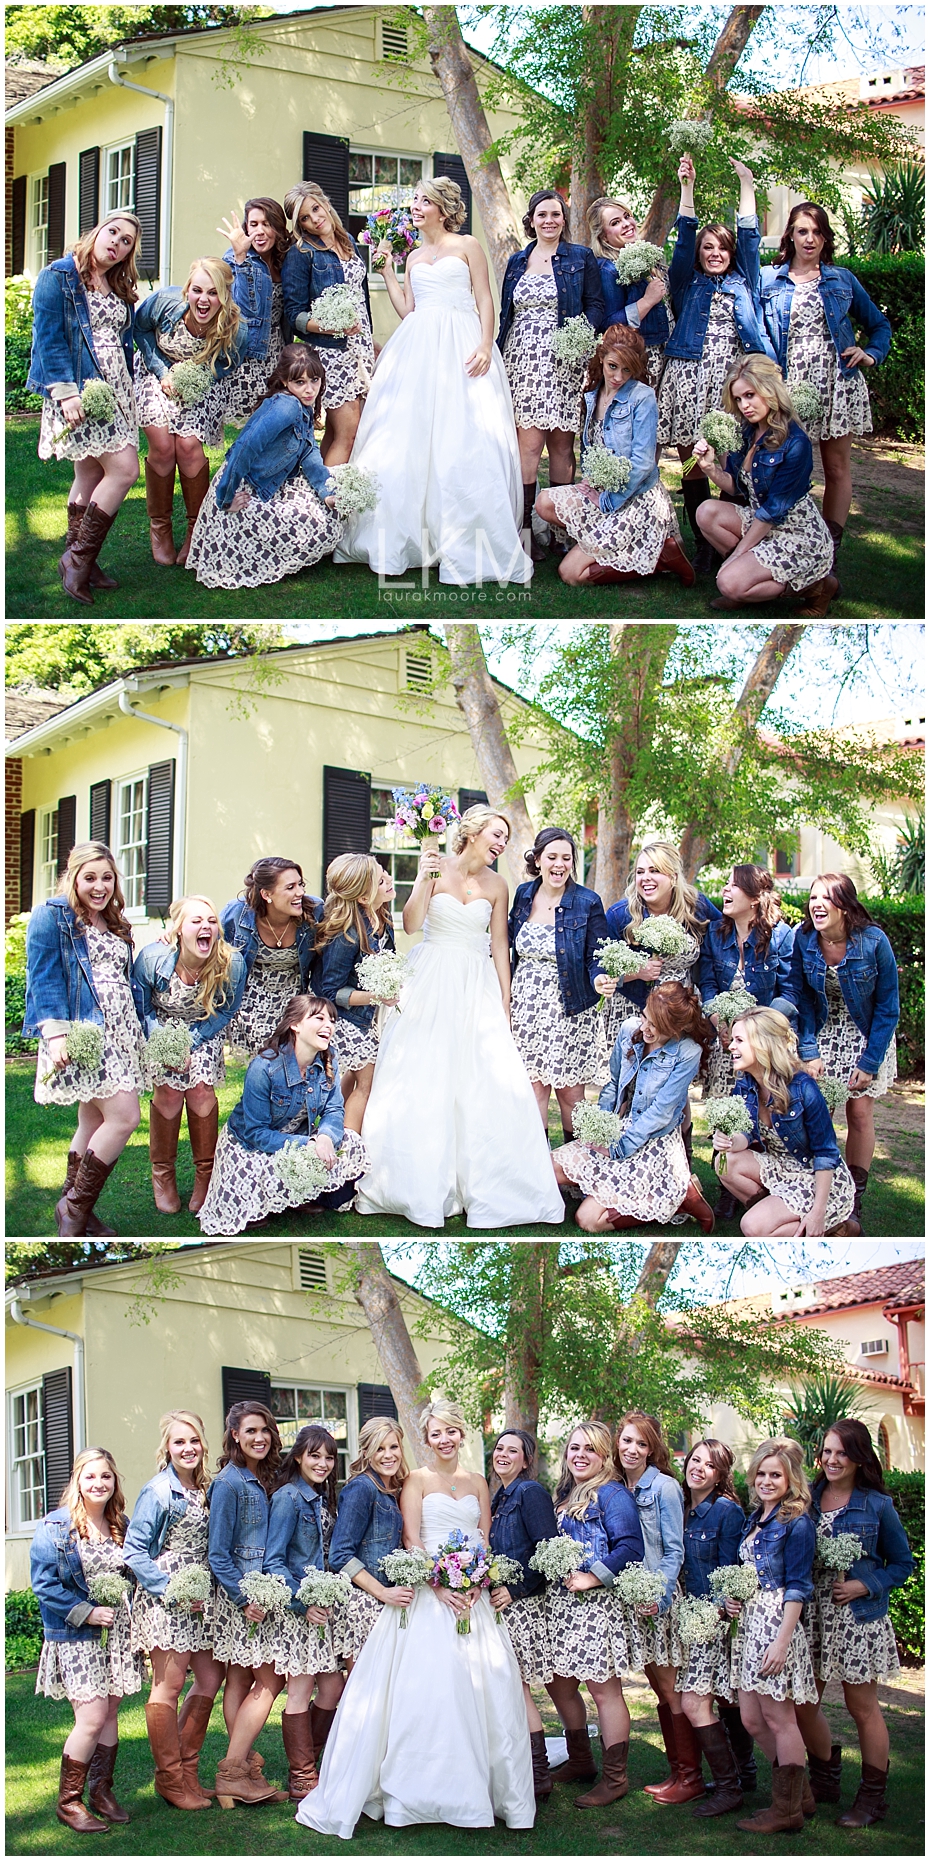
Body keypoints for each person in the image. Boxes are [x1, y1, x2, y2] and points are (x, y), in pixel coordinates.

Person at [297, 1399, 536, 1835]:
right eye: (434, 1434)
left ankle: (491, 1792)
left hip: (474, 1598)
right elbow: (411, 1538)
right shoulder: (415, 1481)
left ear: (462, 1434)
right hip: (429, 1596)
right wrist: (442, 1585)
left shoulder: (480, 1481)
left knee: (489, 1690)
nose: (444, 1440)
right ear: (425, 1441)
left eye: (450, 1431)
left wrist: (477, 1580)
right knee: (428, 1692)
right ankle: (413, 1793)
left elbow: (482, 1537)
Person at [354, 806, 564, 1227]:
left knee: (481, 1082)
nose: (502, 843)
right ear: (471, 832)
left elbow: (501, 946)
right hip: (431, 978)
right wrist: (423, 877)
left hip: (476, 984)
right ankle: (418, 1184)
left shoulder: (499, 884)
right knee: (425, 1077)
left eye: (505, 837)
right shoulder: (437, 868)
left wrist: (504, 1005)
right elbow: (411, 925)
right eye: (497, 834)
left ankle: (484, 1184)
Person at [333, 179, 532, 587]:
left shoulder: (467, 246)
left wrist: (484, 343)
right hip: (418, 347)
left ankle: (466, 539)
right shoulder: (414, 256)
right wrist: (387, 270)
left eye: (423, 201)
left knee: (464, 436)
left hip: (463, 344)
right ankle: (402, 536)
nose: (415, 207)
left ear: (442, 209)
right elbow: (409, 308)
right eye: (416, 201)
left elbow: (484, 299)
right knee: (407, 436)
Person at [761, 202, 892, 580]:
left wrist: (870, 353)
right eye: (803, 231)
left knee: (836, 468)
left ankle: (828, 555)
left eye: (817, 232)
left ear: (825, 238)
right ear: (790, 235)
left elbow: (879, 324)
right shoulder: (771, 279)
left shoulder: (841, 279)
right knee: (781, 466)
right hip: (786, 386)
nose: (810, 239)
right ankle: (781, 544)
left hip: (836, 381)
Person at [794, 1421, 913, 1829]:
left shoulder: (877, 1505)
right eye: (826, 1452)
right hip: (810, 1617)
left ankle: (872, 1798)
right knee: (803, 1704)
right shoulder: (807, 1499)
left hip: (857, 1620)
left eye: (841, 1452)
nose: (831, 1460)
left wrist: (865, 1584)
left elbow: (902, 1564)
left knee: (861, 1708)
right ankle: (825, 1778)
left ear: (859, 1457)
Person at [657, 155, 773, 573]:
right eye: (708, 248)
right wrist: (686, 187)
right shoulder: (687, 280)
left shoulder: (746, 280)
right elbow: (684, 239)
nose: (714, 253)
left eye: (721, 247)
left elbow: (750, 238)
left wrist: (747, 185)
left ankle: (721, 531)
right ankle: (702, 542)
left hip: (731, 379)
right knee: (690, 457)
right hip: (687, 375)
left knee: (729, 456)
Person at [24, 841, 144, 1239]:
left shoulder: (114, 920)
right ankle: (75, 1210)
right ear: (72, 878)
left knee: (92, 1118)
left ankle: (74, 1208)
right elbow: (42, 977)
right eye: (89, 878)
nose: (99, 886)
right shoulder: (52, 915)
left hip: (122, 1030)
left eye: (107, 878)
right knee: (125, 1117)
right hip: (85, 1030)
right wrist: (56, 1034)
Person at [29, 211, 142, 604]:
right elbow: (48, 336)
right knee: (126, 470)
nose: (117, 243)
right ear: (97, 232)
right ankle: (77, 561)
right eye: (113, 232)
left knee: (91, 471)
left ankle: (80, 562)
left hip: (116, 389)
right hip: (82, 390)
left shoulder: (114, 283)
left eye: (127, 241)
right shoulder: (59, 275)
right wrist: (66, 392)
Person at [31, 1446, 144, 1833]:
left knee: (111, 1710)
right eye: (91, 1476)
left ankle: (101, 1791)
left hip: (115, 1634)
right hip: (77, 1634)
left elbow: (132, 1572)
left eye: (106, 1476)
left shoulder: (120, 1524)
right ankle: (69, 1802)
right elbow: (43, 1585)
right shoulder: (56, 1527)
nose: (99, 1483)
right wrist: (87, 1611)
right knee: (92, 1717)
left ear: (115, 1482)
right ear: (77, 1480)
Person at [536, 325, 693, 588]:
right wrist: (591, 482)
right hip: (602, 491)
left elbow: (643, 463)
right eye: (613, 366)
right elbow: (590, 449)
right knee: (544, 503)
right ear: (602, 357)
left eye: (627, 370)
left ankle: (661, 559)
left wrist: (608, 500)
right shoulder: (592, 393)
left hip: (635, 499)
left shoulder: (642, 396)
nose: (619, 377)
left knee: (572, 575)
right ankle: (621, 546)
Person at [197, 995, 368, 1235]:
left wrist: (326, 1137)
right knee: (258, 1168)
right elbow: (255, 1132)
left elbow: (334, 1109)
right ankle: (267, 1202)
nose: (328, 1025)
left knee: (352, 1142)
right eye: (318, 1018)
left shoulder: (330, 1059)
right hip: (251, 1143)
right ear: (295, 1025)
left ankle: (304, 1195)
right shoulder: (264, 1067)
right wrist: (307, 1144)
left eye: (331, 1019)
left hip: (299, 1136)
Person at [554, 983, 716, 1232]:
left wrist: (619, 1148)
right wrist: (600, 1129)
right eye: (645, 1018)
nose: (645, 1029)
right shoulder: (629, 1028)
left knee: (588, 1220)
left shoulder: (688, 1052)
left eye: (656, 1026)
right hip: (619, 1127)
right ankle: (605, 1184)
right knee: (550, 1169)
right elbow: (614, 1083)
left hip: (652, 1139)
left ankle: (678, 1198)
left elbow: (661, 1112)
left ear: (676, 1029)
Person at [123, 1411, 224, 1810]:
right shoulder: (158, 1491)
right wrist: (172, 1590)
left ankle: (187, 1770)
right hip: (167, 1598)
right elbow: (134, 1552)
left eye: (194, 1440)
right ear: (167, 1447)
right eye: (179, 1442)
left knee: (211, 1676)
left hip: (200, 1598)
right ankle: (170, 1779)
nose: (188, 1448)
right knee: (169, 1684)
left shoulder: (203, 1488)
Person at [497, 189, 606, 555]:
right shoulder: (517, 261)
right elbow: (506, 314)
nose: (549, 221)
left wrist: (579, 338)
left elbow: (595, 305)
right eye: (542, 214)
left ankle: (561, 531)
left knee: (562, 444)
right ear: (531, 220)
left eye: (555, 215)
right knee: (528, 446)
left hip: (566, 359)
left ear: (563, 219)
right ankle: (525, 530)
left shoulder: (581, 257)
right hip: (523, 359)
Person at [790, 873, 899, 1232]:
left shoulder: (873, 942)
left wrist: (870, 1062)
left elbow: (887, 1007)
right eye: (813, 898)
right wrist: (808, 1050)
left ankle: (854, 1200)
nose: (816, 904)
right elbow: (802, 996)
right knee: (819, 1111)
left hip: (867, 1031)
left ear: (844, 905)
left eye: (826, 897)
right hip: (822, 1030)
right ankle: (822, 1191)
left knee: (859, 1112)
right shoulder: (804, 939)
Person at [544, 1420, 644, 1808]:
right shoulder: (567, 1494)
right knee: (558, 1682)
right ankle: (581, 1760)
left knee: (604, 1690)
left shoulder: (611, 1494)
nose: (580, 1455)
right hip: (562, 1607)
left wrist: (593, 1577)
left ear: (604, 1456)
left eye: (590, 1449)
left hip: (595, 1606)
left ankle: (615, 1778)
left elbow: (630, 1547)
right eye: (574, 1448)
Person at [186, 345, 341, 589]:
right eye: (299, 382)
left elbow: (310, 452)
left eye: (314, 380)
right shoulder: (285, 406)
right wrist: (226, 498)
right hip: (245, 488)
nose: (309, 389)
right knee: (312, 525)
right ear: (284, 381)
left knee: (328, 514)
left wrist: (326, 492)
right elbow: (242, 449)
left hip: (272, 484)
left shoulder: (305, 406)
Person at [693, 354, 836, 615]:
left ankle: (817, 587)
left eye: (750, 395)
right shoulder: (748, 431)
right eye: (738, 399)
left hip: (797, 534)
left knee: (727, 581)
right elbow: (737, 488)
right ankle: (749, 581)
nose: (744, 405)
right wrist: (709, 468)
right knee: (706, 512)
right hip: (763, 522)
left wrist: (737, 557)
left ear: (769, 390)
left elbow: (772, 512)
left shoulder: (796, 443)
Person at [133, 895, 247, 1215]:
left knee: (199, 1091)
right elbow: (141, 1009)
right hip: (161, 1027)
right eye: (196, 921)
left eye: (211, 921)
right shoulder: (153, 958)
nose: (205, 926)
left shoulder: (231, 962)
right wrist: (166, 1045)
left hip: (204, 1027)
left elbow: (226, 1012)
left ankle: (205, 1176)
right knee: (168, 1093)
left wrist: (190, 1042)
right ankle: (162, 1176)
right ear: (178, 930)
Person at [727, 1439, 818, 1836]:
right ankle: (802, 1794)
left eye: (775, 1475)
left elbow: (798, 1586)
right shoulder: (755, 1518)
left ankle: (786, 1810)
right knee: (751, 1717)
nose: (767, 1480)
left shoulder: (796, 1522)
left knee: (779, 1719)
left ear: (790, 1479)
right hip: (748, 1623)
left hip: (775, 1624)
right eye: (761, 1474)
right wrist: (732, 1598)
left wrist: (782, 1641)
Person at [134, 257, 248, 566]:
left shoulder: (237, 329)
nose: (204, 299)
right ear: (187, 290)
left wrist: (195, 379)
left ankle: (197, 528)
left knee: (186, 445)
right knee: (161, 444)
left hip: (199, 384)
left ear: (224, 296)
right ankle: (160, 527)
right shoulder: (165, 302)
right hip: (154, 373)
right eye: (197, 290)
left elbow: (226, 365)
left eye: (213, 293)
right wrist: (162, 371)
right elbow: (139, 329)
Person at [698, 863, 795, 1219]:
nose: (725, 890)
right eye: (725, 883)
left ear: (755, 899)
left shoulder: (781, 937)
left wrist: (760, 1030)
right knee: (727, 1114)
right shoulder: (715, 935)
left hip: (766, 1044)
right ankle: (728, 1188)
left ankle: (767, 1189)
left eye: (733, 885)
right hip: (725, 1042)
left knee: (764, 1116)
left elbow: (790, 993)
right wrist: (715, 1017)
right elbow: (708, 983)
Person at [715, 1006, 858, 1237]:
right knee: (726, 1162)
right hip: (779, 1166)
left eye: (739, 1040)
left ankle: (833, 1226)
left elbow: (826, 1153)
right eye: (733, 1040)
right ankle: (778, 1214)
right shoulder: (746, 1083)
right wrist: (731, 1141)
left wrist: (818, 1212)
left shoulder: (803, 1088)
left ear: (763, 1045)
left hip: (814, 1176)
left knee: (751, 1228)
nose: (731, 1046)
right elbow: (748, 1135)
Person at [206, 1402, 288, 1807]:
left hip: (260, 1594)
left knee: (240, 1679)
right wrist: (244, 1599)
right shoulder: (228, 1483)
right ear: (234, 1435)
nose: (260, 1437)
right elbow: (217, 1553)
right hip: (242, 1598)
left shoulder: (264, 1477)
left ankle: (243, 1773)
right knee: (272, 1680)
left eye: (266, 1431)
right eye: (251, 1431)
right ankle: (235, 1771)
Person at [508, 827, 610, 1144]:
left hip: (569, 1007)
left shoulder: (586, 901)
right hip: (526, 1009)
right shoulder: (524, 894)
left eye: (566, 858)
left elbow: (600, 953)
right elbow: (505, 945)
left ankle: (575, 1172)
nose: (559, 864)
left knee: (570, 1094)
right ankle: (541, 1178)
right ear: (538, 860)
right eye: (552, 857)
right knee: (534, 1090)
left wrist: (600, 976)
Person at [614, 1413, 694, 1802]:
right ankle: (679, 1772)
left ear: (652, 1449)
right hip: (631, 1601)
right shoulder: (615, 1487)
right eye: (627, 1441)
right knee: (660, 1689)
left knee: (671, 1688)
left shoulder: (663, 1487)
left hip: (657, 1600)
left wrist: (657, 1596)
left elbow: (674, 1551)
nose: (632, 1450)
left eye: (641, 1444)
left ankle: (689, 1778)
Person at [265, 1425, 345, 1800]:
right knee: (298, 1690)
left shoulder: (321, 1497)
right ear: (298, 1456)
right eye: (315, 1455)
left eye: (329, 1457)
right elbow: (274, 1561)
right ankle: (301, 1777)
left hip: (324, 1610)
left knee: (333, 1687)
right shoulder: (288, 1498)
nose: (323, 1463)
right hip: (300, 1612)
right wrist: (302, 1599)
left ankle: (311, 1758)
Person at [676, 1439, 750, 1817]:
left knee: (695, 1701)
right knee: (724, 1698)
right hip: (685, 1617)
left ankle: (728, 1787)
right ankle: (744, 1774)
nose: (698, 1468)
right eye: (695, 1460)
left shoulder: (726, 1512)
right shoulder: (682, 1508)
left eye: (709, 1465)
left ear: (721, 1475)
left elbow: (730, 1571)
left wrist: (720, 1612)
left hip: (713, 1620)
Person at [487, 1430, 559, 1799]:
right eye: (499, 1448)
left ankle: (539, 1774)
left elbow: (546, 1554)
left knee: (519, 1688)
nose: (503, 1454)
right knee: (510, 1687)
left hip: (522, 1606)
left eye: (512, 1450)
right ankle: (520, 1767)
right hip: (499, 1606)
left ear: (526, 1460)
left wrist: (515, 1589)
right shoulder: (498, 1496)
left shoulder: (531, 1493)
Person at [282, 179, 375, 463]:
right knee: (350, 433)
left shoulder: (347, 239)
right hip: (331, 354)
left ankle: (319, 498)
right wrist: (333, 326)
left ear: (323, 202)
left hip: (360, 349)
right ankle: (332, 502)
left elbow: (362, 297)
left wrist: (371, 340)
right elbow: (293, 314)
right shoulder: (301, 253)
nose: (314, 220)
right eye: (305, 219)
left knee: (339, 435)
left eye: (315, 209)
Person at [602, 840, 720, 1052]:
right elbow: (599, 970)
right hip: (635, 1009)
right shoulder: (620, 915)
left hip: (680, 1010)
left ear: (673, 877)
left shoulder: (695, 906)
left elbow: (724, 937)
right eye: (640, 872)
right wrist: (636, 972)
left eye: (654, 870)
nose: (645, 878)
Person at [312, 854, 398, 1133]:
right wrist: (376, 995)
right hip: (346, 1020)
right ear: (363, 897)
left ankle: (332, 1132)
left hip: (369, 1017)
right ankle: (349, 1152)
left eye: (384, 872)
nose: (388, 879)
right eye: (380, 879)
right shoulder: (348, 932)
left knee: (347, 1082)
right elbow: (330, 990)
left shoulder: (383, 917)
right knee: (366, 1082)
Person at [327, 1418, 409, 1666]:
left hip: (387, 1604)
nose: (388, 1455)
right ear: (366, 1452)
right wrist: (383, 1592)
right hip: (363, 1605)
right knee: (362, 1692)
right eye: (379, 1448)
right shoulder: (361, 1489)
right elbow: (340, 1555)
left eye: (393, 1447)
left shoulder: (393, 1490)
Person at [222, 858, 322, 1058]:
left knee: (295, 1063)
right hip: (252, 999)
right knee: (269, 1063)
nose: (300, 892)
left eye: (300, 884)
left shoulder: (315, 911)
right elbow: (210, 936)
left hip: (295, 997)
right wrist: (174, 935)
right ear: (266, 894)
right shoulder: (237, 913)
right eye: (290, 887)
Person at [587, 196, 673, 390]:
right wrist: (647, 301)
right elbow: (608, 325)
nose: (626, 224)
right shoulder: (608, 270)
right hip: (640, 360)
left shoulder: (646, 258)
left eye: (627, 216)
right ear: (603, 236)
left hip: (665, 352)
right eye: (616, 223)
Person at [220, 197, 293, 419]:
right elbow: (239, 308)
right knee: (251, 425)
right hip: (246, 353)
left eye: (267, 224)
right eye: (254, 224)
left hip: (277, 354)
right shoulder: (233, 257)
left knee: (273, 425)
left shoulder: (286, 259)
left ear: (278, 227)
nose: (259, 231)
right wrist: (241, 259)